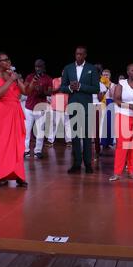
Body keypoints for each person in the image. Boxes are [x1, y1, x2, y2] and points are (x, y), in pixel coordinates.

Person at [0, 52, 30, 187]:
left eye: (9, 59)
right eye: (5, 60)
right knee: (1, 146)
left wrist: (29, 82)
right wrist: (11, 80)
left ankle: (18, 175)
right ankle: (1, 176)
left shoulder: (12, 75)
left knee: (17, 145)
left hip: (14, 112)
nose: (9, 62)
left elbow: (25, 92)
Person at [60, 46, 100, 174]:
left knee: (87, 136)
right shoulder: (68, 68)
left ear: (85, 55)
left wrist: (81, 86)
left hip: (86, 105)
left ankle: (88, 163)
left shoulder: (91, 68)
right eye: (77, 54)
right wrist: (71, 88)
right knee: (76, 136)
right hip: (73, 105)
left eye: (81, 54)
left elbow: (96, 88)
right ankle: (77, 164)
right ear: (75, 54)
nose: (79, 56)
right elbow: (62, 87)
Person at [24, 59, 52, 159]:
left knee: (40, 131)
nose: (37, 68)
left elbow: (50, 92)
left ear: (43, 67)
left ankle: (38, 151)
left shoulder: (48, 78)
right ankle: (26, 150)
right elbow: (25, 89)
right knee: (27, 131)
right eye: (36, 66)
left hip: (40, 108)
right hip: (29, 107)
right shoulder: (30, 77)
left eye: (39, 66)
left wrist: (42, 90)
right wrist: (32, 85)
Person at [46, 71, 72, 147]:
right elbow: (50, 91)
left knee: (67, 123)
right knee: (54, 123)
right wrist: (59, 88)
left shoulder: (71, 82)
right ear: (62, 72)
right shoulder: (55, 80)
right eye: (64, 72)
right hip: (57, 103)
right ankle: (50, 140)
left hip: (67, 102)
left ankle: (69, 140)